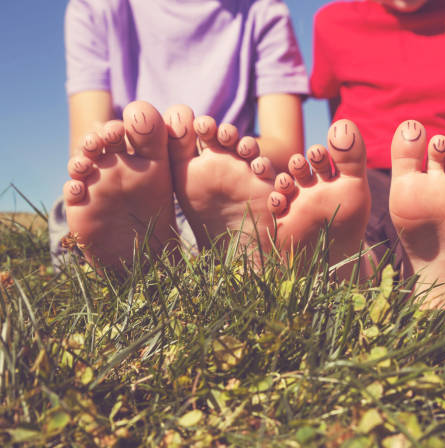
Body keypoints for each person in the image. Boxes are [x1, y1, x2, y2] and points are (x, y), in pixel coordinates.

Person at [51, 0, 309, 269]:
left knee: (83, 220)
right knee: (86, 198)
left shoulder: (262, 10)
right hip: (126, 189)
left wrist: (203, 157)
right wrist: (158, 155)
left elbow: (285, 146)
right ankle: (219, 254)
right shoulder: (95, 7)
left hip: (224, 191)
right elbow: (88, 143)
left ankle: (144, 263)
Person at [306, 0, 445, 306]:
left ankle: (362, 266)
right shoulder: (333, 21)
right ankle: (407, 273)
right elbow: (341, 124)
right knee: (365, 209)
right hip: (370, 171)